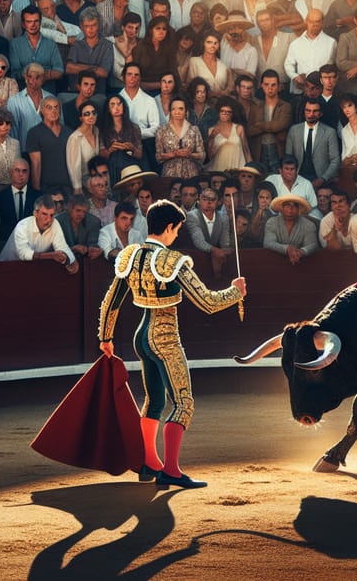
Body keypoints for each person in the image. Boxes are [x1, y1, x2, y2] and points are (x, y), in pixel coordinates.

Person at [98, 199, 246, 488]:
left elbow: (111, 302)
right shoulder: (171, 261)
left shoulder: (132, 255)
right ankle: (171, 470)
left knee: (154, 401)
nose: (177, 234)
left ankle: (149, 463)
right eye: (177, 228)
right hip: (164, 338)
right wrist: (235, 292)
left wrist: (105, 337)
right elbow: (207, 302)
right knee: (183, 404)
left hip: (141, 337)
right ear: (168, 227)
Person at [0, 193, 78, 272]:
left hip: (32, 269)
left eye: (51, 215)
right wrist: (50, 255)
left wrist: (70, 259)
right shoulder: (22, 226)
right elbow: (24, 254)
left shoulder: (55, 223)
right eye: (44, 214)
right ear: (35, 213)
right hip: (5, 268)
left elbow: (62, 246)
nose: (49, 220)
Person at [98, 94, 143, 186]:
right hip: (112, 167)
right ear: (108, 109)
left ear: (124, 106)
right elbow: (102, 155)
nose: (116, 107)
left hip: (130, 167)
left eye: (119, 104)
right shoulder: (103, 129)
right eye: (112, 105)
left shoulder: (134, 128)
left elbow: (140, 155)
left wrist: (132, 148)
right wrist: (111, 149)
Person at [156, 94, 205, 178]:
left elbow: (202, 155)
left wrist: (190, 154)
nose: (177, 112)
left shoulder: (194, 130)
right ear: (170, 111)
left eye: (181, 109)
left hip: (192, 174)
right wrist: (173, 154)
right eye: (173, 109)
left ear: (186, 111)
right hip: (170, 175)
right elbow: (158, 157)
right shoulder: (162, 131)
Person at [204, 96, 251, 171]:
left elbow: (246, 150)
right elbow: (210, 155)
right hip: (218, 168)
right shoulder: (212, 130)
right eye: (222, 111)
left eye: (228, 112)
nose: (225, 113)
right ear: (218, 112)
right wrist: (212, 138)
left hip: (237, 167)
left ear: (232, 114)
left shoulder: (239, 128)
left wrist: (250, 167)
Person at [186, 31, 234, 100]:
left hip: (220, 104)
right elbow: (190, 85)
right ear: (203, 43)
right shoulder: (194, 61)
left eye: (215, 43)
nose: (212, 46)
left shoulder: (223, 66)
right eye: (209, 42)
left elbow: (228, 89)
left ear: (219, 45)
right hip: (200, 102)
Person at [65, 99, 100, 195]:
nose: (91, 116)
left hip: (96, 179)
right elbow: (73, 167)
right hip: (82, 183)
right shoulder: (75, 138)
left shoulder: (97, 131)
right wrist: (77, 188)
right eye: (87, 114)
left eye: (93, 113)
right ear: (81, 118)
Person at [56, 193, 102, 260]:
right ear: (69, 209)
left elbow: (93, 244)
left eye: (84, 212)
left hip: (86, 261)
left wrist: (91, 249)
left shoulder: (93, 222)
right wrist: (72, 249)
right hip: (63, 261)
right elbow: (56, 247)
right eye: (78, 210)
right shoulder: (58, 221)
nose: (81, 214)